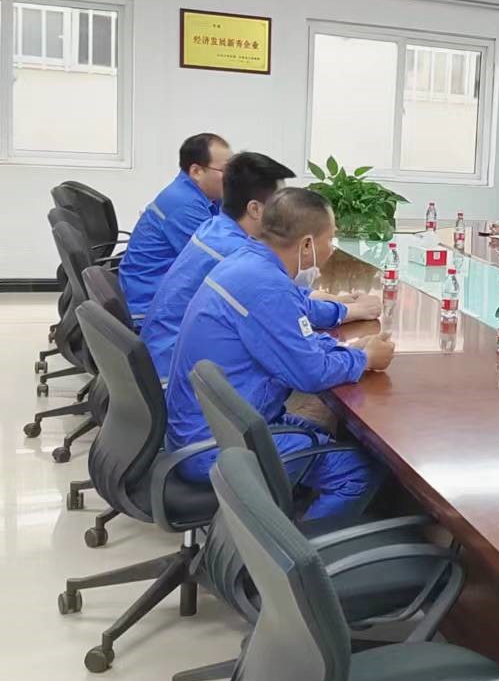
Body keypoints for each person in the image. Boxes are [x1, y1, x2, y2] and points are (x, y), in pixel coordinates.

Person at [165, 187, 395, 522]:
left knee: (328, 433)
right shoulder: (266, 287)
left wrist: (343, 343)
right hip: (218, 447)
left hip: (206, 428)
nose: (331, 249)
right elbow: (311, 374)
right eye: (330, 239)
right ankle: (299, 550)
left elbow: (295, 314)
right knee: (360, 471)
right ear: (306, 245)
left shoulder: (248, 262)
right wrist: (365, 359)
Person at [141, 152, 382, 380]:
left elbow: (287, 303)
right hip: (173, 369)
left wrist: (339, 310)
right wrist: (360, 351)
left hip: (190, 370)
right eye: (279, 204)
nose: (287, 212)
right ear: (255, 208)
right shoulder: (235, 252)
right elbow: (282, 312)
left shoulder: (222, 232)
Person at [120, 132, 231, 315]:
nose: (232, 177)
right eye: (225, 170)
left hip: (158, 292)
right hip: (149, 305)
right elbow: (222, 264)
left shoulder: (205, 196)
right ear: (196, 172)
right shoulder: (184, 204)